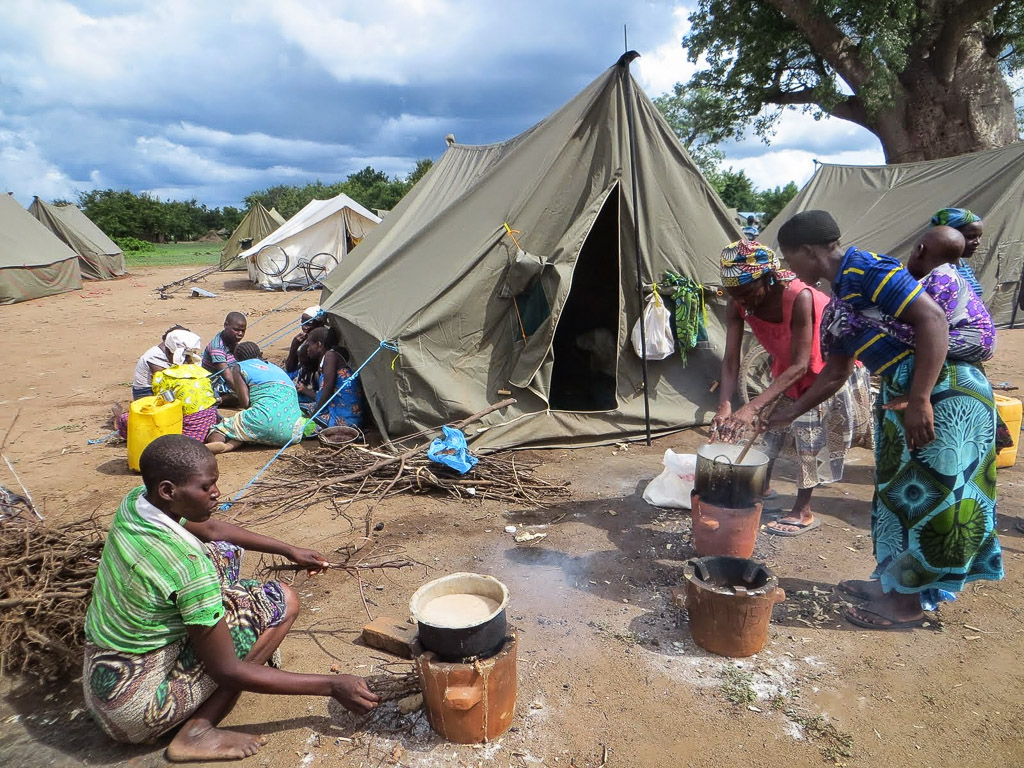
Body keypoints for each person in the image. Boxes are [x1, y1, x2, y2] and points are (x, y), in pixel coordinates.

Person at [768, 210, 1003, 630]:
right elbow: (835, 372)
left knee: (929, 500)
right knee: (899, 497)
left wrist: (920, 399)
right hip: (906, 394)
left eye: (789, 258)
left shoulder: (867, 270)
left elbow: (932, 321)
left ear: (808, 251)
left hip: (942, 393)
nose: (789, 268)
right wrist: (786, 413)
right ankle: (893, 584)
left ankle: (907, 606)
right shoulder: (842, 295)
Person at [82, 435, 377, 761]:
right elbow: (226, 670)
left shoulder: (139, 501)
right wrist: (332, 686)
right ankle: (197, 731)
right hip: (138, 709)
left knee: (223, 552)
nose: (216, 493)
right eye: (206, 487)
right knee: (283, 601)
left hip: (104, 680)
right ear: (168, 490)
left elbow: (211, 532)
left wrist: (289, 549)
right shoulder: (187, 565)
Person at [712, 239, 872, 536]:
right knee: (768, 430)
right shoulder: (738, 301)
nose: (742, 302)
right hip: (789, 370)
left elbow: (803, 365)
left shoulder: (799, 297)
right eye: (735, 295)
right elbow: (731, 358)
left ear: (768, 278)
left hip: (827, 372)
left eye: (747, 293)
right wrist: (725, 405)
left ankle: (803, 510)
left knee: (810, 436)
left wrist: (751, 405)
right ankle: (762, 488)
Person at [906, 226, 996, 364]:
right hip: (979, 341)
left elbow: (930, 321)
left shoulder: (940, 279)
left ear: (920, 250)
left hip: (968, 342)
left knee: (894, 331)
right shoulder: (952, 273)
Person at [206, 342, 305, 454]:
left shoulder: (239, 367)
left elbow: (245, 403)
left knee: (220, 428)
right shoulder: (276, 368)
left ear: (236, 358)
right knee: (247, 428)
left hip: (263, 422)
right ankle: (229, 446)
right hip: (293, 433)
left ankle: (217, 443)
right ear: (260, 354)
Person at [114, 329, 206, 438]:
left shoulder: (173, 359)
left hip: (167, 389)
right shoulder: (155, 357)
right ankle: (120, 419)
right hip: (148, 392)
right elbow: (165, 392)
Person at [151, 332, 220, 442]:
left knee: (128, 418)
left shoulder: (164, 376)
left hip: (188, 428)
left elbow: (162, 407)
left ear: (169, 352)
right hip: (210, 421)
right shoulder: (202, 373)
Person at [297, 327, 364, 428]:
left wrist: (314, 415)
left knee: (302, 426)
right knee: (299, 406)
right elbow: (324, 394)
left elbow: (328, 388)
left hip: (345, 418)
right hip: (339, 410)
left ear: (319, 345)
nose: (308, 349)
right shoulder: (327, 358)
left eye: (310, 344)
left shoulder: (330, 356)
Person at [929, 207, 984, 299]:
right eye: (970, 237)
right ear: (947, 236)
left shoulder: (961, 264)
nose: (977, 242)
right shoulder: (937, 270)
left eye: (979, 236)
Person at [130, 325, 188, 400]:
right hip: (146, 392)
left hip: (160, 387)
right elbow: (164, 381)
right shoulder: (155, 356)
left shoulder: (172, 351)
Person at [202, 313, 247, 407]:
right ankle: (220, 400)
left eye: (243, 331)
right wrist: (246, 395)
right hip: (216, 384)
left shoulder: (231, 341)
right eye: (236, 330)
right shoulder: (217, 348)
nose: (240, 334)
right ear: (226, 325)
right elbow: (228, 377)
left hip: (231, 378)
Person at [284, 306, 326, 377]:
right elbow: (290, 368)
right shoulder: (304, 339)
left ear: (320, 324)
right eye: (303, 323)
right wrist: (294, 346)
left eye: (309, 324)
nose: (304, 327)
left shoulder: (321, 342)